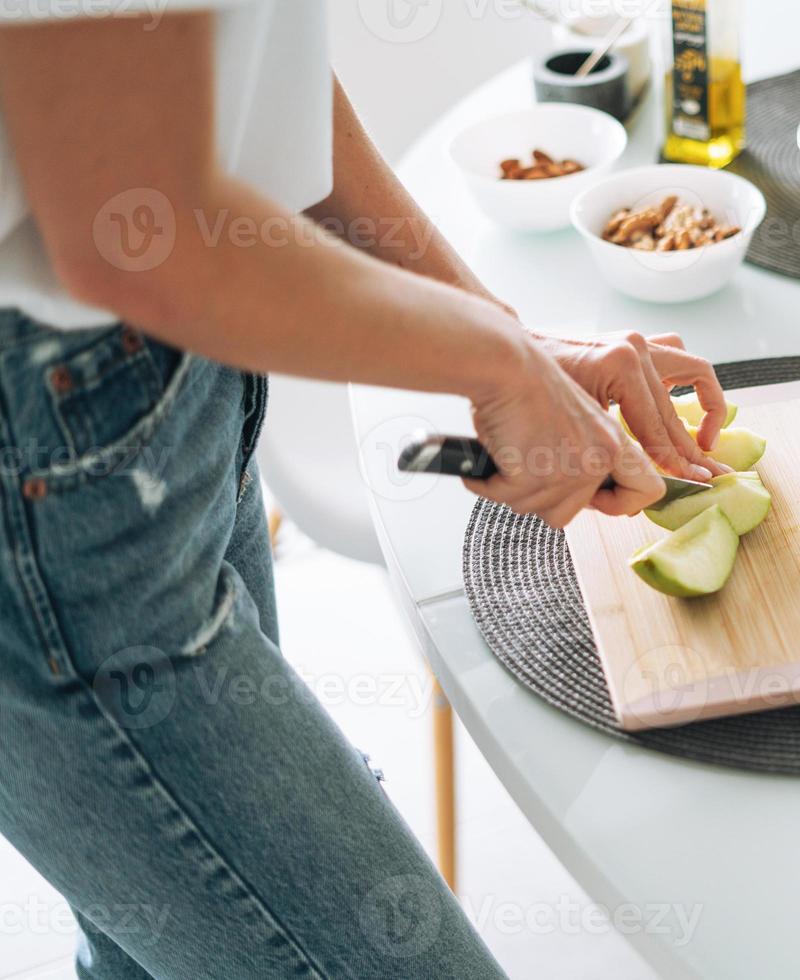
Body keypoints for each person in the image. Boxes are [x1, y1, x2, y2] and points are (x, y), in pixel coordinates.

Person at [0, 2, 729, 976]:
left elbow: (245, 73)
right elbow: (139, 233)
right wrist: (499, 363)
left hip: (149, 403)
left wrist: (507, 337)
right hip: (54, 465)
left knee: (150, 941)